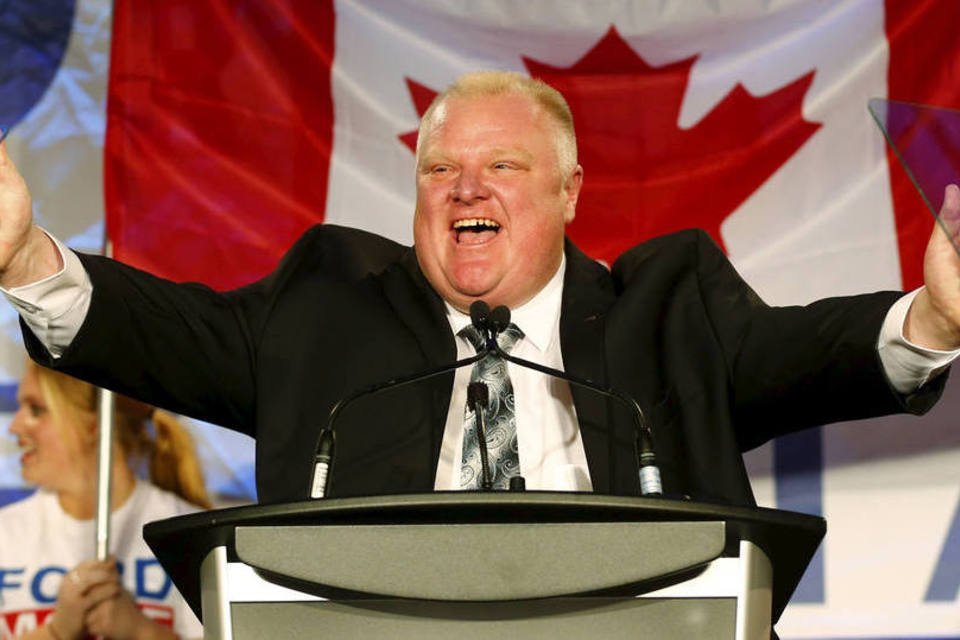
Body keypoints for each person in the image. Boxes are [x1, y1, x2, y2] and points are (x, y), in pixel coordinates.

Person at [0, 70, 957, 507]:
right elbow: (165, 332)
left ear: (569, 192)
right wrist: (25, 259)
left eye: (503, 165)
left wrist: (935, 316)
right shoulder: (327, 309)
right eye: (440, 169)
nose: (467, 189)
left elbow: (812, 353)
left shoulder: (671, 313)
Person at [0, 361, 207, 639]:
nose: (14, 427)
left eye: (36, 410)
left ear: (95, 424)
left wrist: (141, 631)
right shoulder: (6, 536)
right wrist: (56, 632)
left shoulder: (189, 535)